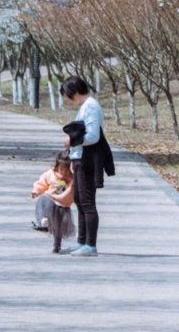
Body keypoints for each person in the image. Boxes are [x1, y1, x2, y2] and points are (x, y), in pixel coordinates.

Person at [60, 76, 103, 256]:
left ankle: (91, 245)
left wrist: (71, 141)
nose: (69, 101)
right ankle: (82, 241)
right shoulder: (85, 106)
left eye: (68, 97)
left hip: (87, 159)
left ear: (75, 93)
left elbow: (93, 136)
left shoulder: (91, 106)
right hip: (79, 159)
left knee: (87, 202)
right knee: (79, 200)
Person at [31, 153, 75, 254]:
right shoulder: (50, 174)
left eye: (66, 171)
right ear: (56, 167)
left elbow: (71, 193)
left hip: (62, 206)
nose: (64, 173)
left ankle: (57, 246)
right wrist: (36, 191)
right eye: (61, 170)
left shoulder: (71, 179)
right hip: (50, 201)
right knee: (41, 201)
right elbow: (42, 183)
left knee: (58, 228)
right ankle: (42, 221)